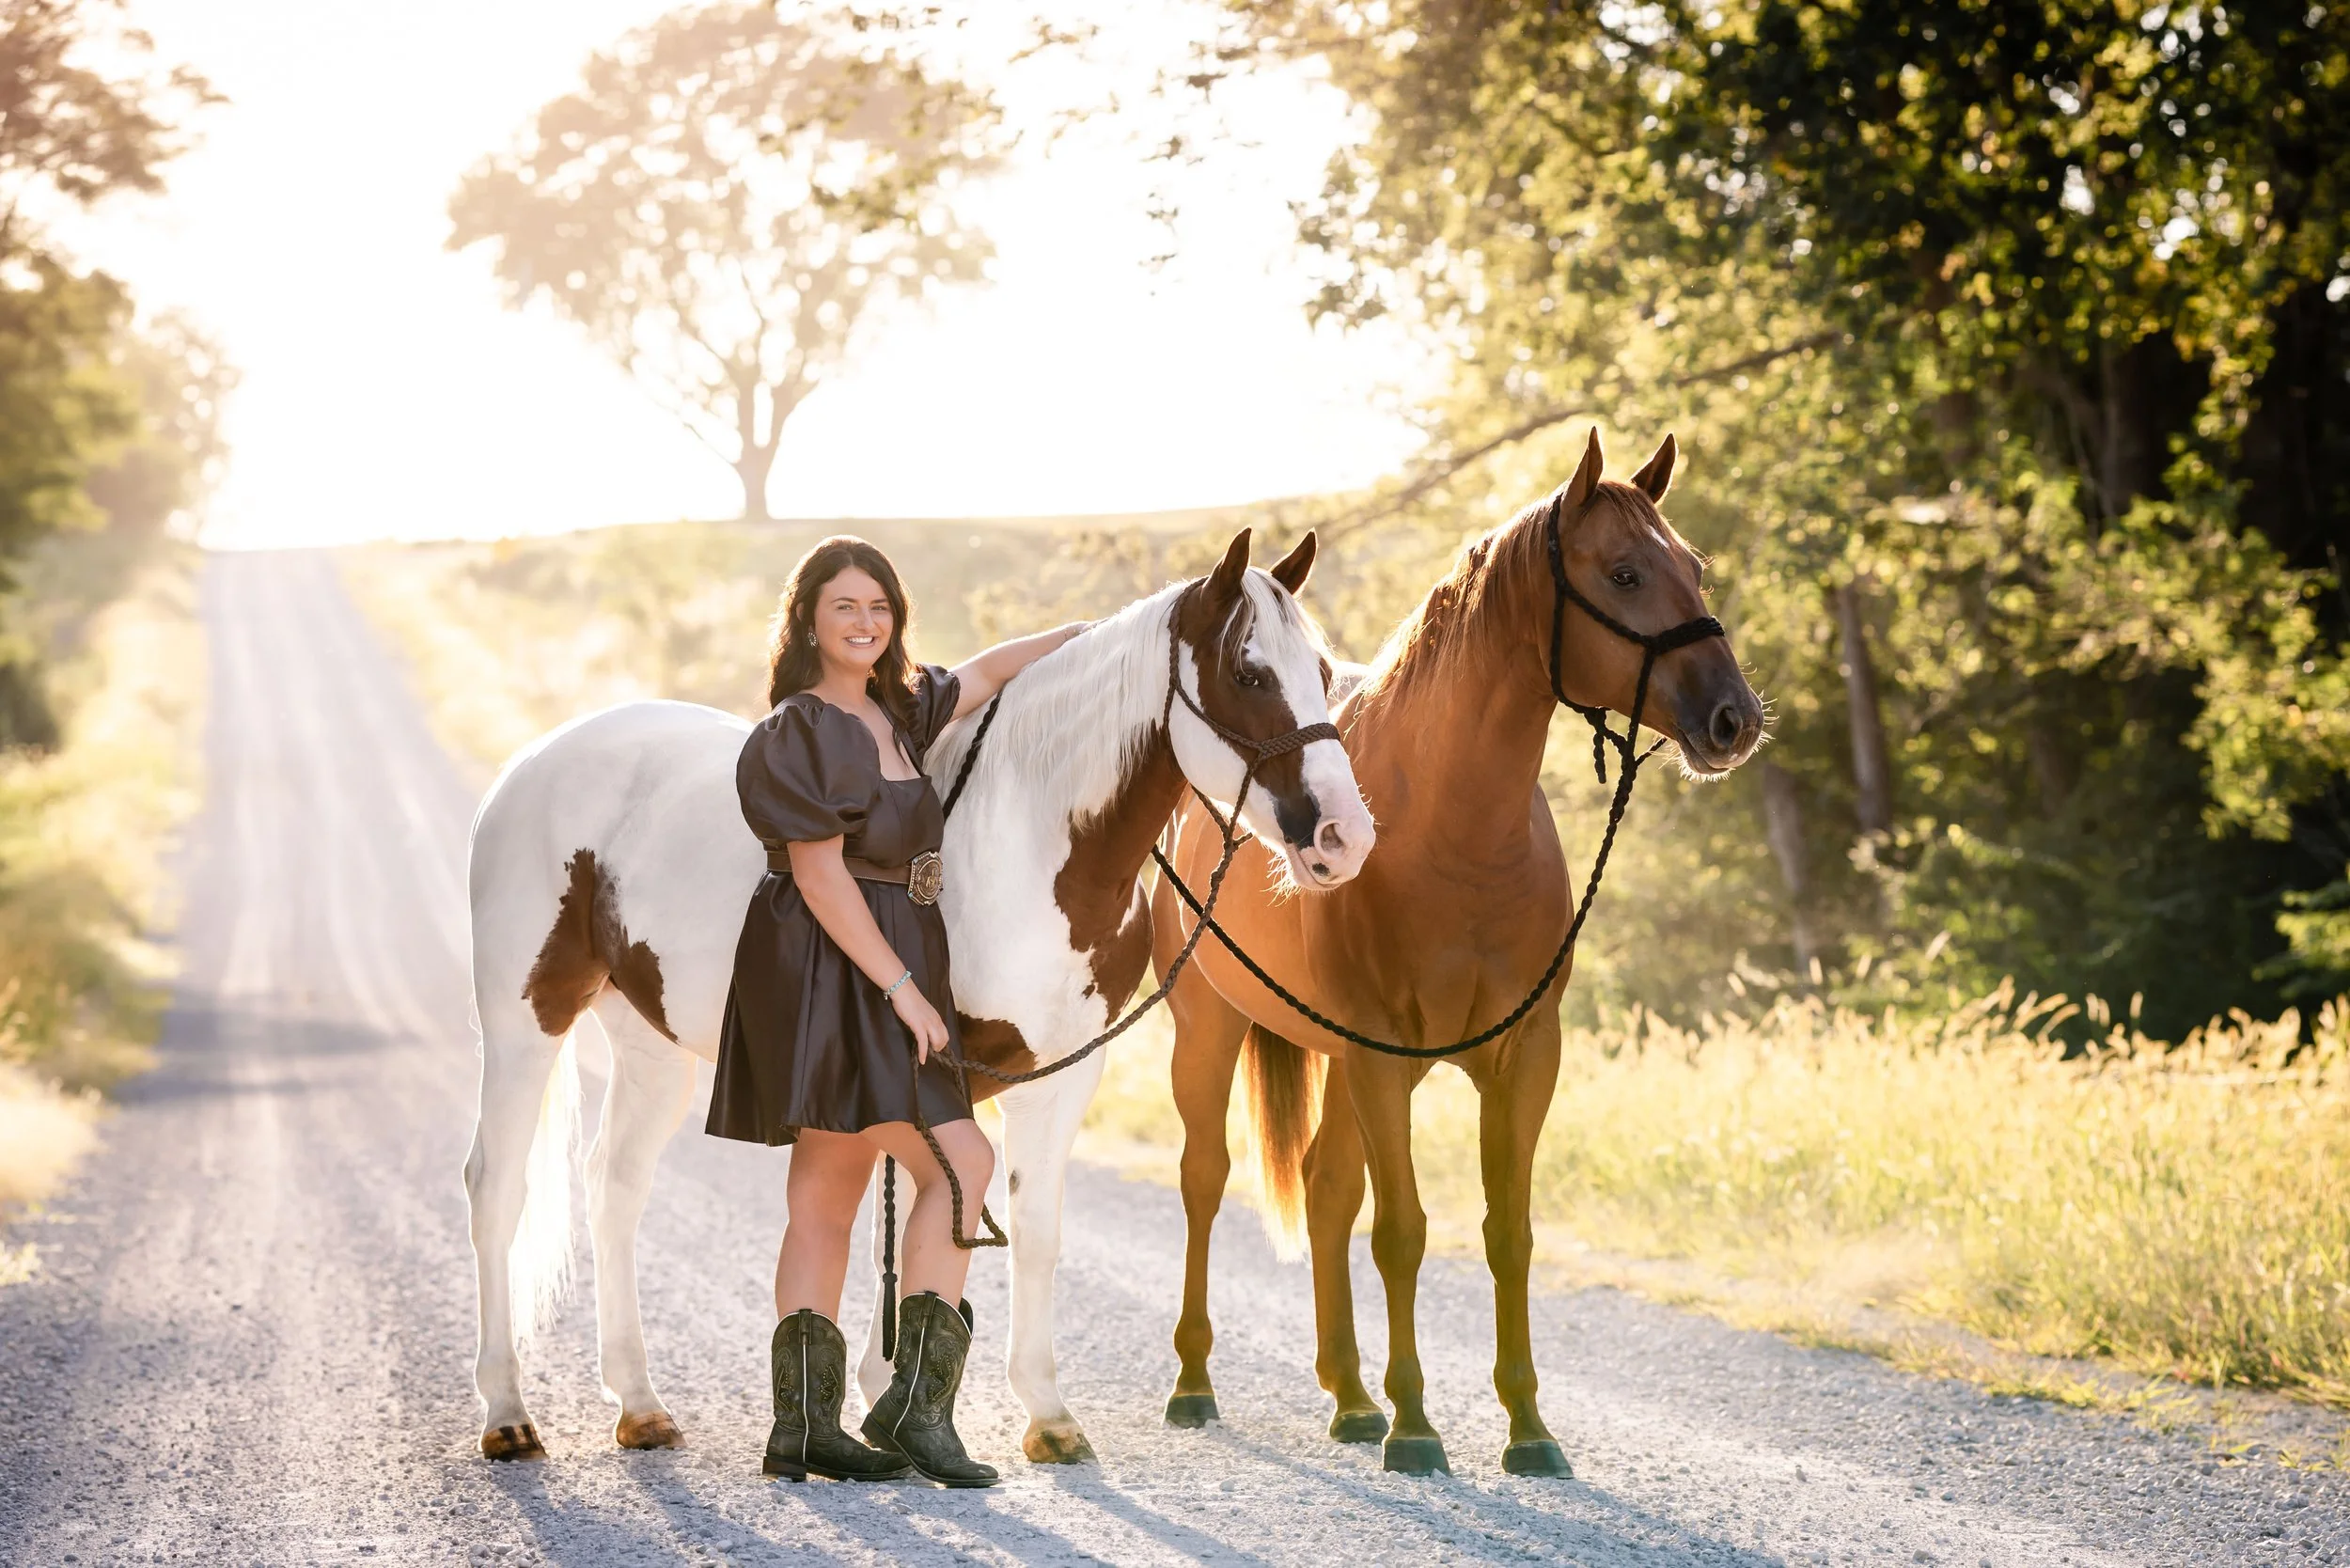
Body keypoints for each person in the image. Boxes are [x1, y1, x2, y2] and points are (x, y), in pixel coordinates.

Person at [706, 534, 1084, 1486]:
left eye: (878, 606)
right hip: (834, 958)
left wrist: (1106, 633)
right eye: (845, 607)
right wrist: (902, 988)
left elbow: (994, 669)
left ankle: (808, 1429)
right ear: (808, 621)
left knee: (828, 1185)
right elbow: (820, 873)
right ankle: (915, 1415)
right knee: (963, 1163)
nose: (865, 622)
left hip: (891, 945)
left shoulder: (900, 707)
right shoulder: (797, 730)